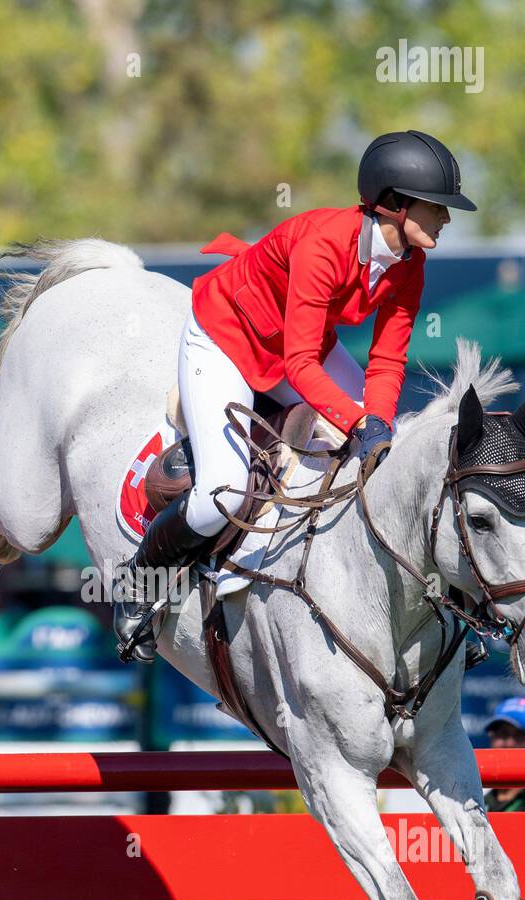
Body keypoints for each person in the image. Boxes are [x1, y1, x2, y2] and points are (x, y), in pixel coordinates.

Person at [114, 129, 476, 662]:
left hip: (297, 343)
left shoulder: (410, 266)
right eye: (437, 207)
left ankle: (433, 601)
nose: (446, 219)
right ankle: (138, 583)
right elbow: (300, 365)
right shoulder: (323, 242)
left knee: (391, 451)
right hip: (226, 338)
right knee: (225, 491)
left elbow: (387, 360)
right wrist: (356, 424)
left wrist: (377, 421)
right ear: (396, 205)